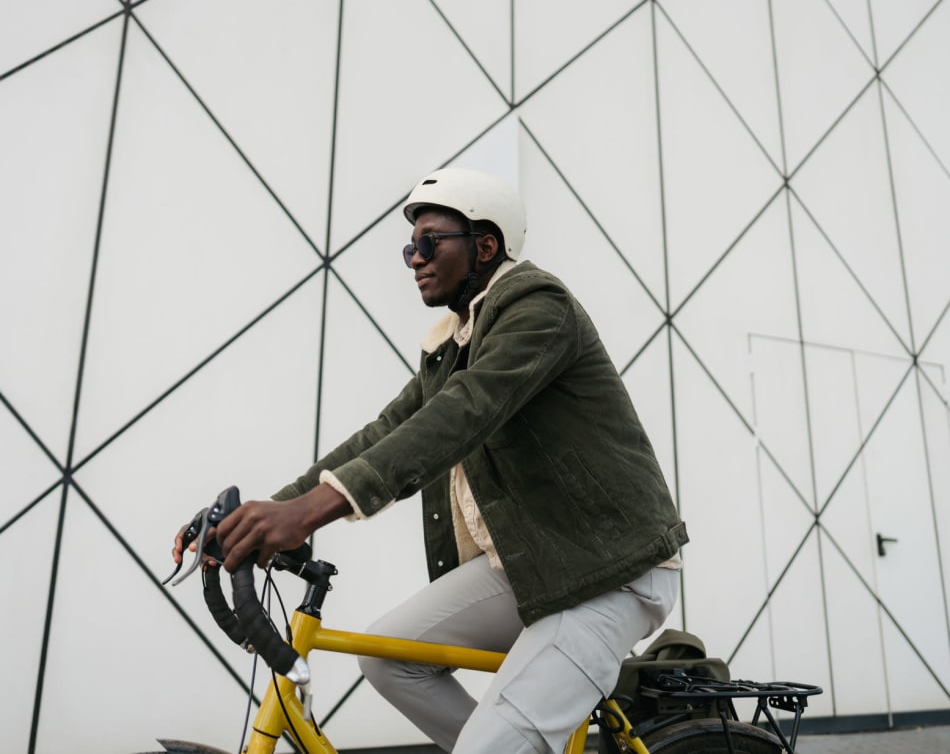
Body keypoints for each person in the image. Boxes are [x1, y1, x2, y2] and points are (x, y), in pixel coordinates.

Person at [174, 166, 688, 753]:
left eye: (429, 242)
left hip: (606, 573)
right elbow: (390, 430)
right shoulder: (451, 344)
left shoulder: (537, 307)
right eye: (408, 247)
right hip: (528, 565)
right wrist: (280, 510)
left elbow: (465, 412)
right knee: (390, 660)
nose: (414, 258)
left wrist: (309, 514)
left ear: (486, 246)